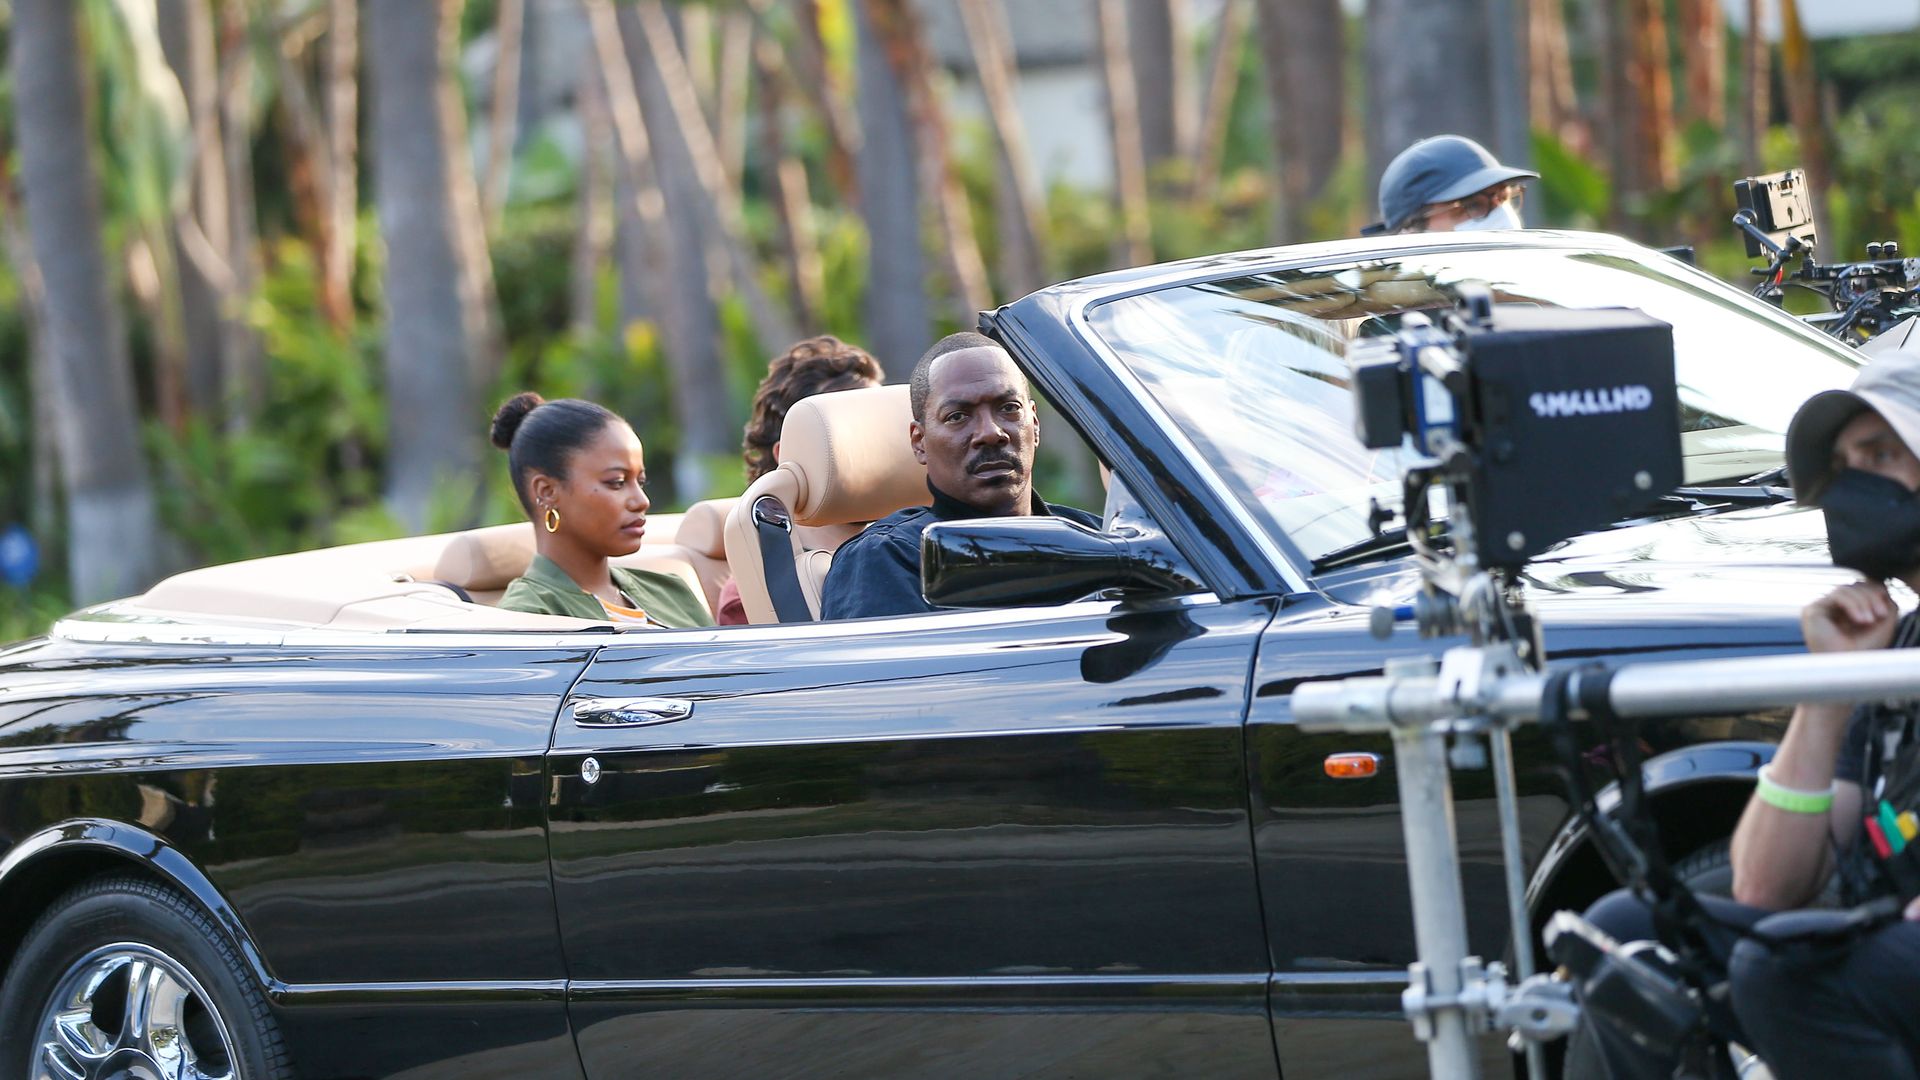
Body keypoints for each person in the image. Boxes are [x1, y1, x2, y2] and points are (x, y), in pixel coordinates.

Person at [1569, 343, 1920, 1079]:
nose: (1855, 486)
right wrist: (1828, 693)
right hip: (1893, 942)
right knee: (1628, 940)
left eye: (1884, 453)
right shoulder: (1898, 648)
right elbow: (1764, 885)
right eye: (1846, 465)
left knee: (1786, 970)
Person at [819, 332, 1098, 621]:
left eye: (1009, 408)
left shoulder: (1099, 540)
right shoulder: (889, 558)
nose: (991, 433)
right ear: (919, 442)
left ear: (1035, 425)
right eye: (957, 416)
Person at [489, 392, 710, 627]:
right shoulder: (528, 619)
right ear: (546, 491)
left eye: (640, 481)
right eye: (616, 482)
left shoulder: (671, 592)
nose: (641, 501)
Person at [716, 336, 884, 624]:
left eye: (883, 424)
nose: (881, 443)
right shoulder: (764, 595)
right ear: (788, 454)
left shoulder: (917, 537)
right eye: (857, 430)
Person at [1362, 134, 1536, 236]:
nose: (1502, 216)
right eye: (1474, 205)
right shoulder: (1382, 297)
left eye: (1503, 198)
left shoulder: (1542, 291)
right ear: (1410, 230)